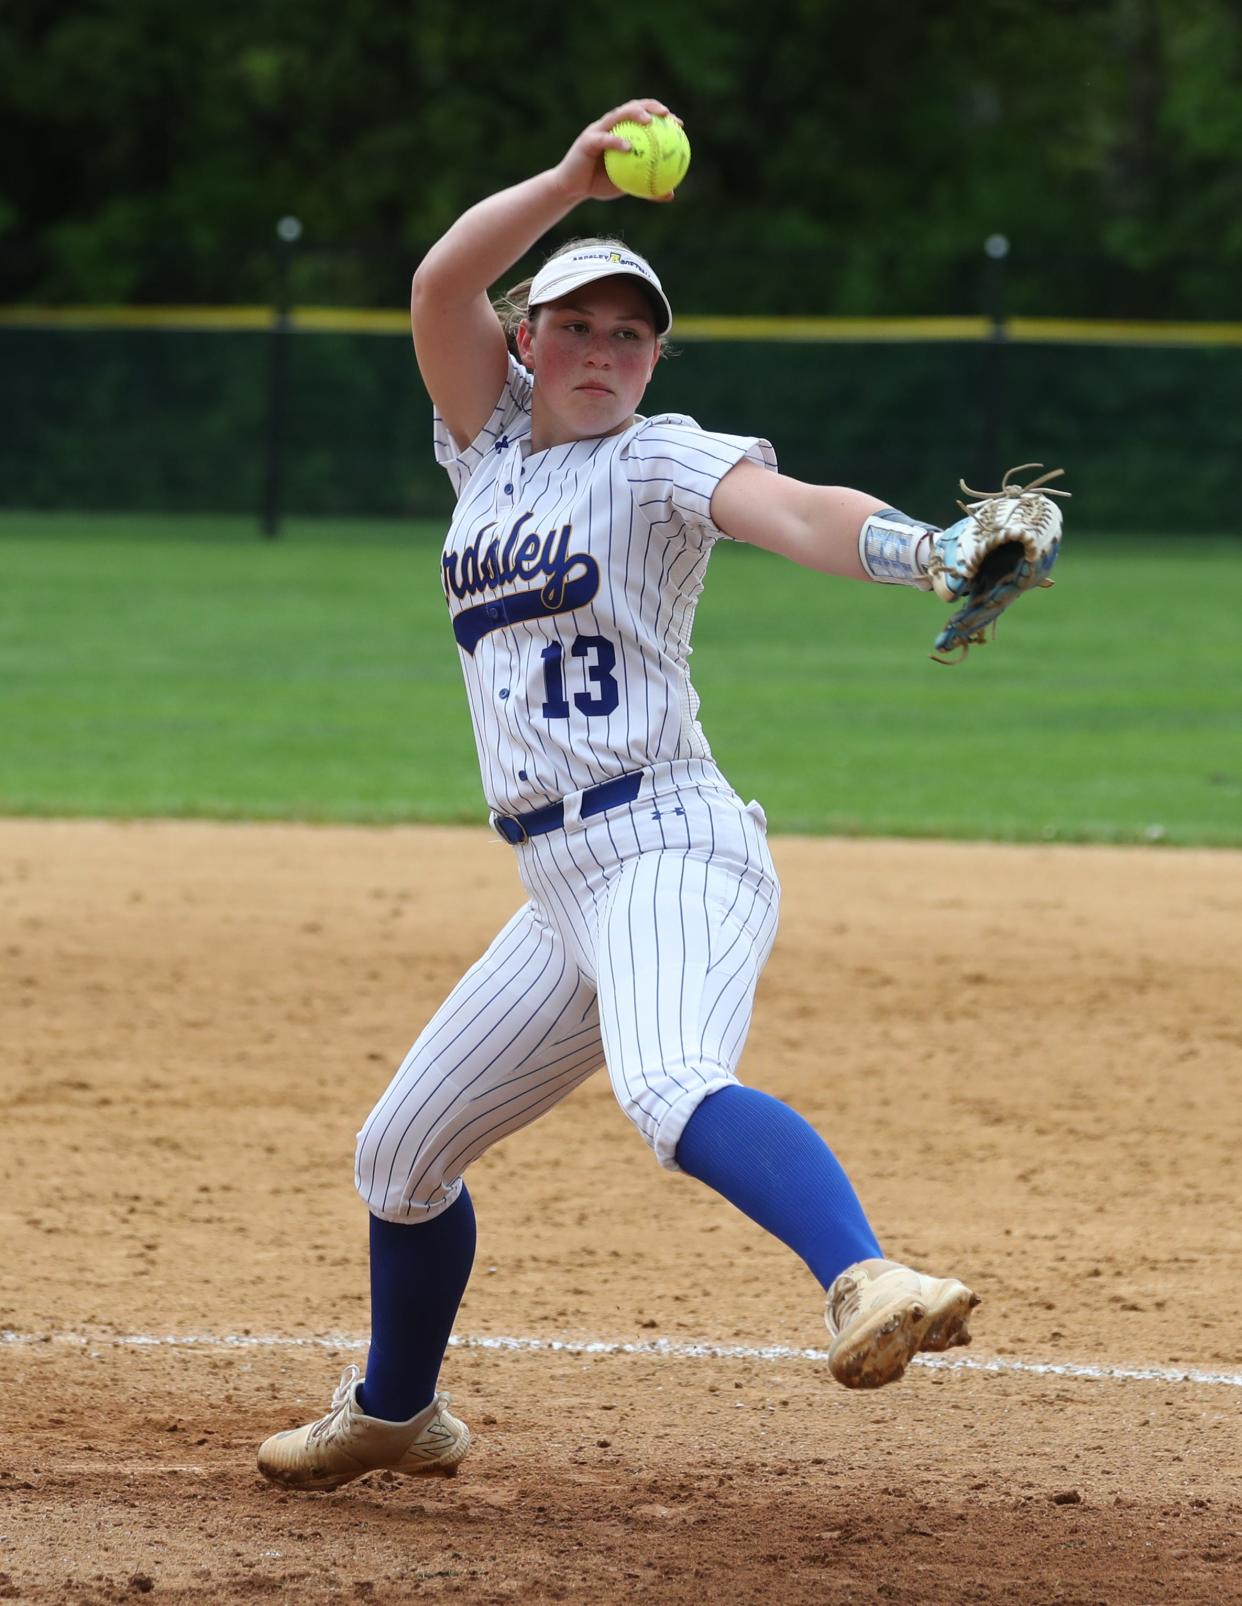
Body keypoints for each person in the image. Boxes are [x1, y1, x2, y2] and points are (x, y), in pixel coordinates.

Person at [258, 98, 1057, 1493]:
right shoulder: (488, 447)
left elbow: (792, 508)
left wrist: (927, 551)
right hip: (558, 884)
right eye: (577, 326)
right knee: (398, 1154)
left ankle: (862, 1273)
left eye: (630, 334)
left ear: (653, 360)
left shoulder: (660, 453)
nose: (604, 352)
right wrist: (572, 177)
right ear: (530, 344)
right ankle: (397, 1411)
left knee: (669, 1082)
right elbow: (440, 281)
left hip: (671, 842)